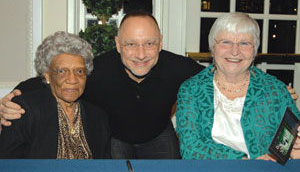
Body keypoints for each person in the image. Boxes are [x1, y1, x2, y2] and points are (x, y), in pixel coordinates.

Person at [0, 10, 205, 159]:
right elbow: (52, 79)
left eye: (149, 44)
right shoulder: (98, 71)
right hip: (116, 139)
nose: (141, 54)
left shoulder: (179, 67)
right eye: (131, 44)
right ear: (117, 44)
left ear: (160, 43)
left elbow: (215, 80)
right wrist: (13, 99)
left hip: (159, 134)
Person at [176, 12, 300, 160]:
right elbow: (190, 148)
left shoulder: (275, 90)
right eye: (226, 42)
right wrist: (243, 163)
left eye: (244, 43)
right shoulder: (191, 90)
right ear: (213, 48)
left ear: (254, 51)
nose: (235, 51)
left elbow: (290, 138)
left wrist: (287, 153)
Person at [0, 31, 111, 159]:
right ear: (47, 75)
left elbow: (105, 165)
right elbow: (8, 164)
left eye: (79, 71)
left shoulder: (98, 117)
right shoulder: (25, 110)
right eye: (62, 71)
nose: (72, 79)